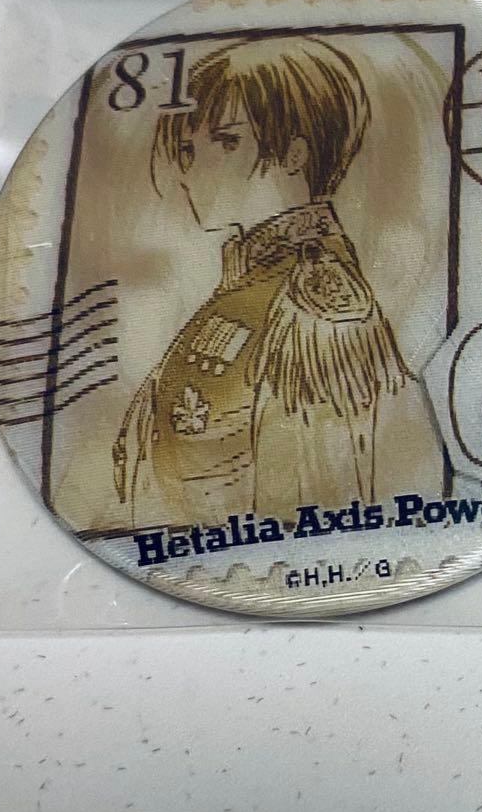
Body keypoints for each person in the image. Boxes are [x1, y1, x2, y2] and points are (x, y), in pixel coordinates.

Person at [113, 35, 410, 528]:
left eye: (226, 142)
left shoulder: (315, 302)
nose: (192, 170)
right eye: (187, 149)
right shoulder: (247, 284)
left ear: (294, 155)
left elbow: (319, 509)